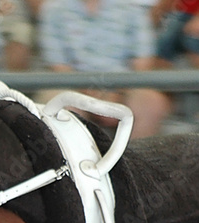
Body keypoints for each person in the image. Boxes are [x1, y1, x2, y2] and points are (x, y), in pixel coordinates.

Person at [38, 0, 171, 138]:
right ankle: (77, 159)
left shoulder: (131, 9)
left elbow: (143, 63)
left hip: (124, 85)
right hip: (72, 86)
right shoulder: (55, 9)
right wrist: (90, 95)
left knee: (152, 103)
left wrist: (117, 92)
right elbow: (58, 65)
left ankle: (133, 158)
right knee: (59, 105)